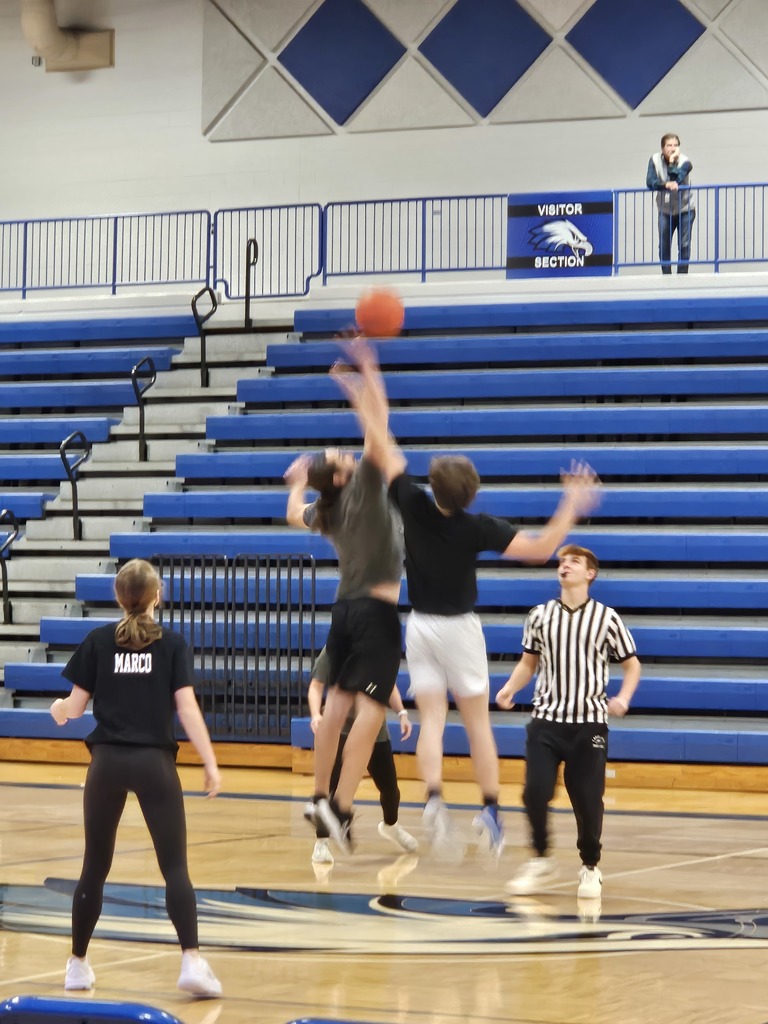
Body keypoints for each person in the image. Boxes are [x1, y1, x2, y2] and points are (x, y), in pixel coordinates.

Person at [386, 454, 601, 858]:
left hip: (419, 626)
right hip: (459, 630)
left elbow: (383, 449)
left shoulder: (412, 503)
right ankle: (489, 809)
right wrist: (571, 504)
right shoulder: (477, 527)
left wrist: (372, 417)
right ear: (472, 493)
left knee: (431, 719)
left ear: (434, 486)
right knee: (477, 725)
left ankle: (434, 797)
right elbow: (540, 549)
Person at [49, 559, 222, 998]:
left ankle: (77, 965)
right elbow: (187, 710)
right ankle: (191, 961)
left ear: (117, 596)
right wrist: (209, 762)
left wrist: (58, 710)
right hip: (154, 764)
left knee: (94, 867)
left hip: (105, 763)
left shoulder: (98, 640)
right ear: (157, 595)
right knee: (174, 867)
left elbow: (74, 708)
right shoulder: (173, 645)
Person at [285, 339, 404, 854]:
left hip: (343, 612)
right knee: (371, 713)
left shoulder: (328, 510)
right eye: (339, 456)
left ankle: (318, 796)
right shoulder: (367, 488)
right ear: (339, 476)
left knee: (336, 708)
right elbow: (379, 430)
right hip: (376, 614)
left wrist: (296, 484)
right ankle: (342, 805)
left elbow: (295, 514)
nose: (346, 452)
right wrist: (367, 372)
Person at [496, 545, 641, 900]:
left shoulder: (606, 618)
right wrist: (510, 688)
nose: (565, 566)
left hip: (588, 725)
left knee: (588, 800)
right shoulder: (540, 615)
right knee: (534, 792)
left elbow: (632, 665)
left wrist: (623, 698)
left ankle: (590, 866)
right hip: (546, 721)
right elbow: (528, 663)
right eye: (562, 561)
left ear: (590, 573)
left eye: (574, 561)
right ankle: (540, 859)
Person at [307, 647, 417, 867]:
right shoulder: (335, 648)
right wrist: (316, 714)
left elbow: (388, 686)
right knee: (330, 791)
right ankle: (322, 842)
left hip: (374, 731)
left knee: (390, 791)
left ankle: (391, 825)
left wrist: (402, 713)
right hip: (340, 730)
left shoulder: (378, 647)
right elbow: (316, 685)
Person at [646, 132, 695, 275]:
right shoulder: (654, 160)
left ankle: (682, 277)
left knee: (684, 245)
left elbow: (676, 180)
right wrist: (665, 185)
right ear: (662, 148)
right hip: (665, 210)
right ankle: (666, 277)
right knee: (664, 246)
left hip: (685, 209)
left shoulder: (686, 162)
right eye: (669, 145)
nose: (673, 149)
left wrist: (673, 161)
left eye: (675, 145)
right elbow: (650, 182)